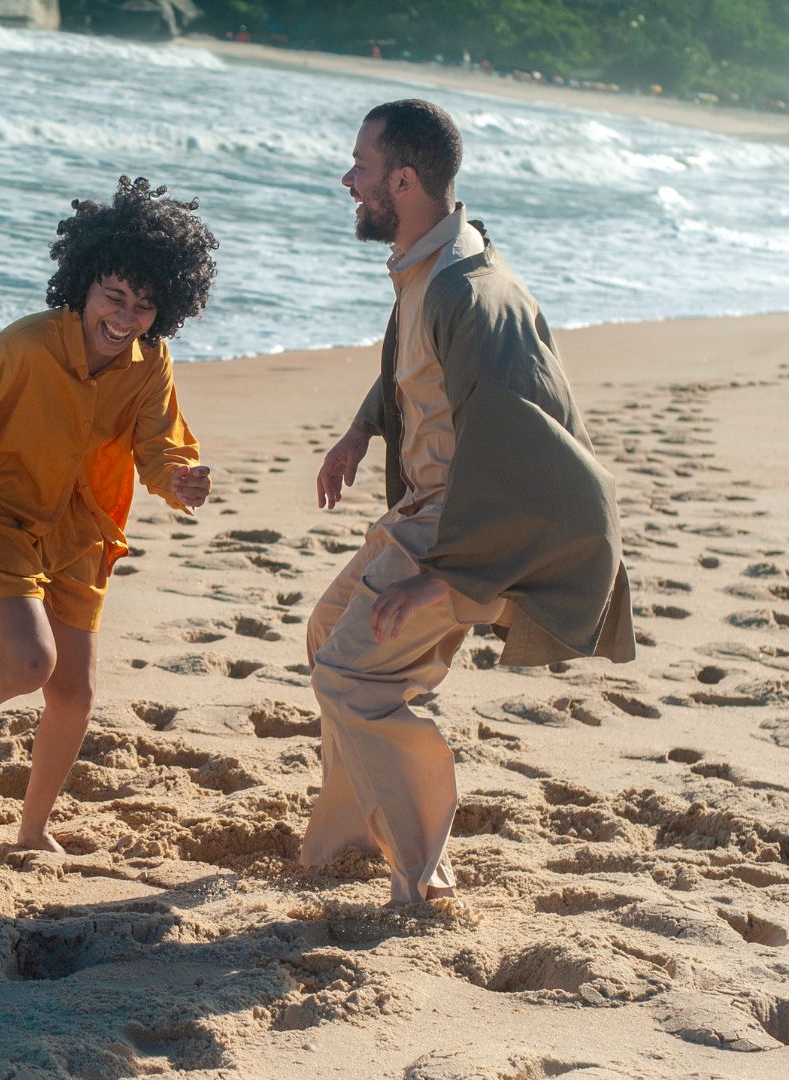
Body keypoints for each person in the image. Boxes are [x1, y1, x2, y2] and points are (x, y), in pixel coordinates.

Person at [306, 101, 635, 905]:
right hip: (423, 516)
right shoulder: (431, 265)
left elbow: (528, 451)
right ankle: (348, 837)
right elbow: (415, 370)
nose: (350, 180)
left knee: (356, 672)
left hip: (460, 527)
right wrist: (360, 432)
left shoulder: (471, 293)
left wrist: (454, 580)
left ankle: (425, 881)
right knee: (328, 635)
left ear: (405, 179)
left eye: (362, 165)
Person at [0, 177, 216, 852]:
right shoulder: (23, 347)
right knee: (29, 662)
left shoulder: (150, 361)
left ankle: (32, 831)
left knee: (74, 692)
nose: (126, 315)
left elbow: (159, 444)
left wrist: (177, 480)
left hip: (81, 528)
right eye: (114, 295)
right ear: (82, 283)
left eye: (143, 305)